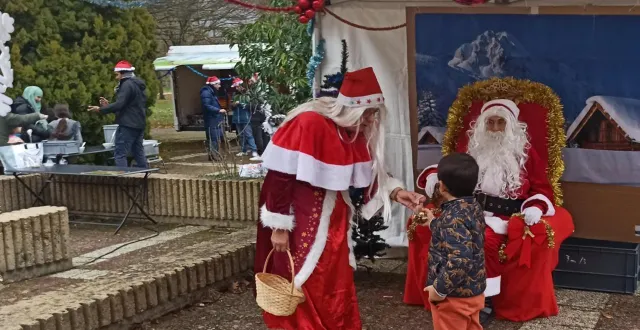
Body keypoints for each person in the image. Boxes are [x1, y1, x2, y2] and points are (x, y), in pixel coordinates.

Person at [255, 67, 426, 330]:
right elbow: (279, 177)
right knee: (304, 278)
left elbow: (366, 172)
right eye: (367, 113)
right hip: (300, 219)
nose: (370, 120)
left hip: (334, 220)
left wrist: (396, 192)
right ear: (352, 109)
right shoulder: (309, 123)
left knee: (334, 280)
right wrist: (278, 226)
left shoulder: (352, 131)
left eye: (373, 114)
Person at [416, 99, 574, 322]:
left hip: (504, 216)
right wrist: (436, 175)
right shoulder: (473, 149)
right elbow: (451, 166)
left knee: (484, 242)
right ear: (482, 125)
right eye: (491, 122)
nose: (496, 128)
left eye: (501, 123)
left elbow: (543, 189)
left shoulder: (525, 155)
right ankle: (449, 293)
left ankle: (482, 300)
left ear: (511, 127)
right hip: (470, 209)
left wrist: (535, 206)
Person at [422, 153, 485, 330]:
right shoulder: (473, 207)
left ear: (441, 186)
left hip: (453, 295)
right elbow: (464, 235)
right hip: (474, 290)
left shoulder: (452, 217)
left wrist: (439, 289)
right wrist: (434, 223)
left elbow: (460, 260)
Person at [88, 60, 148, 168]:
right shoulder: (137, 85)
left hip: (127, 125)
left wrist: (101, 109)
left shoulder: (126, 85)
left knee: (120, 153)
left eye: (117, 75)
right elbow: (128, 106)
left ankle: (124, 180)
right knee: (138, 151)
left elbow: (120, 104)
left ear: (122, 73)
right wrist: (108, 105)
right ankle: (145, 176)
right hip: (139, 123)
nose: (116, 78)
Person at [231, 78, 258, 159]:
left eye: (237, 87)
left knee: (249, 135)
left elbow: (252, 106)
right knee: (241, 136)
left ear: (241, 86)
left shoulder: (248, 94)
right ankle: (243, 150)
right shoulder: (234, 95)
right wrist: (234, 105)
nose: (236, 88)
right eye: (235, 87)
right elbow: (231, 106)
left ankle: (254, 151)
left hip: (246, 118)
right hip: (237, 118)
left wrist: (242, 104)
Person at [201, 76, 226, 160]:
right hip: (211, 119)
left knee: (216, 138)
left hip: (214, 119)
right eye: (218, 84)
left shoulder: (210, 92)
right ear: (214, 84)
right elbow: (206, 105)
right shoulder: (206, 93)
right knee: (213, 138)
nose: (219, 86)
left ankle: (215, 155)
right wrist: (218, 110)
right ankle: (213, 156)